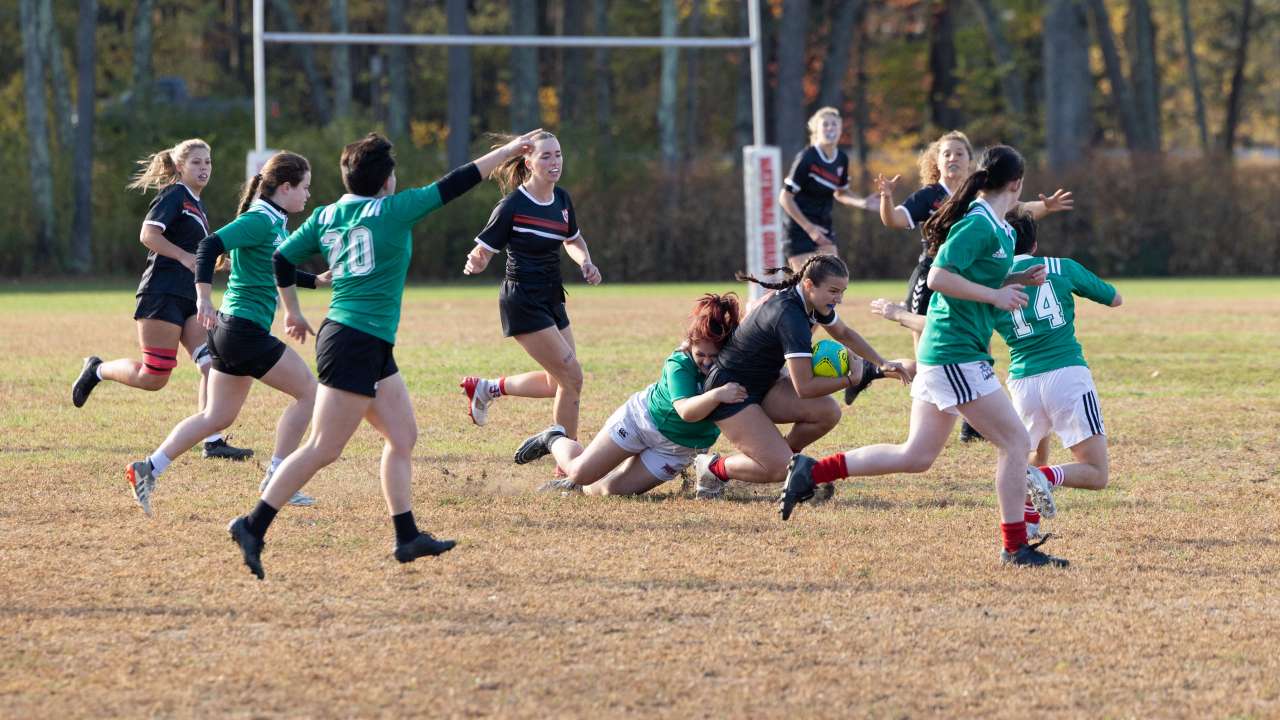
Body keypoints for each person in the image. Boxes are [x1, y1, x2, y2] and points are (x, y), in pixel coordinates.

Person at [226, 130, 544, 580]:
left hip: (362, 340)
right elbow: (460, 180)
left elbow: (279, 258)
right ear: (386, 180)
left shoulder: (327, 213)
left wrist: (292, 311)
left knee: (402, 436)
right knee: (323, 447)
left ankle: (407, 536)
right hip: (354, 341)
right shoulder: (395, 210)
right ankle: (252, 525)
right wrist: (511, 151)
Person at [779, 145, 1069, 568]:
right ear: (1016, 184)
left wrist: (1016, 275)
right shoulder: (977, 224)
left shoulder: (1000, 228)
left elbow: (975, 274)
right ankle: (1015, 547)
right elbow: (938, 277)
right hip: (955, 352)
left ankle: (812, 471)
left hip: (953, 351)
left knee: (915, 455)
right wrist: (995, 294)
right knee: (1015, 442)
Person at [124, 151, 327, 516]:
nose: (308, 195)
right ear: (285, 187)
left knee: (216, 417)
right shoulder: (260, 219)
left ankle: (149, 467)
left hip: (232, 331)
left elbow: (272, 269)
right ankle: (277, 480)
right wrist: (203, 297)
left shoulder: (275, 221)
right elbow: (209, 246)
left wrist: (316, 280)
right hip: (242, 330)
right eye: (305, 188)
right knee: (309, 393)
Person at [865, 131, 1074, 437]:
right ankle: (893, 352)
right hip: (935, 274)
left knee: (969, 342)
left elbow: (1020, 208)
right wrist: (886, 197)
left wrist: (1015, 276)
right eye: (946, 153)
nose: (953, 158)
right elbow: (898, 223)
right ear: (936, 160)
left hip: (968, 279)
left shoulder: (984, 203)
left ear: (972, 162)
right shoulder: (937, 199)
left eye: (960, 153)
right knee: (930, 345)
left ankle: (966, 417)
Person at [71, 138, 252, 460]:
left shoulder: (197, 203)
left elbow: (195, 250)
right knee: (154, 377)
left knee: (211, 362)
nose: (204, 168)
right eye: (196, 162)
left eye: (208, 162)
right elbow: (148, 235)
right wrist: (184, 256)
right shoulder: (174, 195)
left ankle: (213, 442)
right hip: (161, 293)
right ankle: (97, 369)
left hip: (190, 297)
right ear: (180, 167)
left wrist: (216, 260)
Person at [690, 254, 910, 500]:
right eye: (834, 291)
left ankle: (788, 461)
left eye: (842, 291)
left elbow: (844, 333)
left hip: (764, 384)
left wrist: (882, 362)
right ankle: (712, 468)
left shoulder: (809, 303)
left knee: (827, 412)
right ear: (808, 285)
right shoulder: (790, 316)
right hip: (730, 392)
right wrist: (851, 380)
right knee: (776, 468)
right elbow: (804, 387)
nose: (839, 299)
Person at [513, 293, 745, 496]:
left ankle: (573, 487)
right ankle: (553, 438)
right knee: (579, 472)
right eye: (700, 354)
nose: (705, 362)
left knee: (607, 491)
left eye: (713, 357)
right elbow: (686, 411)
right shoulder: (680, 363)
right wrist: (717, 395)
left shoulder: (735, 367)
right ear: (690, 347)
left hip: (676, 449)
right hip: (640, 421)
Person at [459, 132, 602, 461]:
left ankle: (487, 388)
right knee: (573, 377)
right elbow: (483, 249)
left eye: (558, 155)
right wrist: (477, 259)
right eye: (546, 157)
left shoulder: (562, 200)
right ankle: (567, 464)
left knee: (560, 384)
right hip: (522, 298)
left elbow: (573, 240)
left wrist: (586, 263)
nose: (555, 163)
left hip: (552, 296)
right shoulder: (513, 205)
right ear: (529, 163)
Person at [993, 211, 1122, 537]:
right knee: (1096, 472)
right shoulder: (1061, 266)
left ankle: (1029, 523)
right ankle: (1049, 478)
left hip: (1022, 381)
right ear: (1034, 243)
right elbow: (1115, 298)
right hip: (1066, 374)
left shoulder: (988, 283)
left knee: (1031, 453)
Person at [778, 107, 877, 274]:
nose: (830, 128)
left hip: (824, 226)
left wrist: (863, 203)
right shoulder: (807, 157)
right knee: (807, 284)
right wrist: (810, 229)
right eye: (825, 125)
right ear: (816, 130)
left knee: (832, 277)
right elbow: (785, 197)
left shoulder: (841, 158)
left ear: (840, 129)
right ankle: (770, 300)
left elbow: (841, 192)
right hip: (799, 229)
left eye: (834, 124)